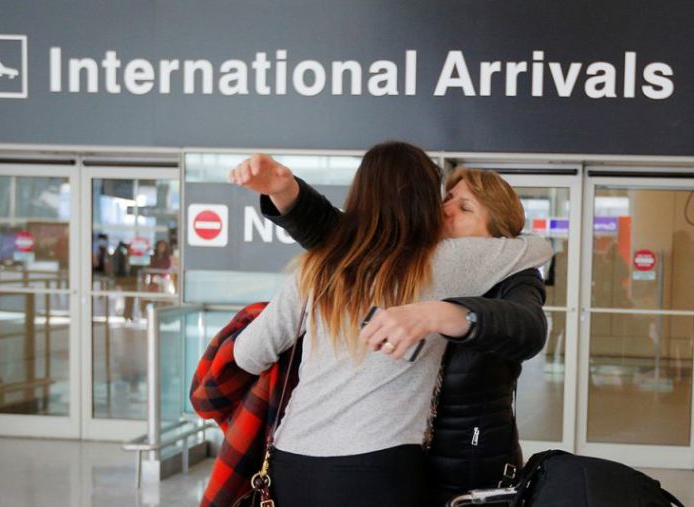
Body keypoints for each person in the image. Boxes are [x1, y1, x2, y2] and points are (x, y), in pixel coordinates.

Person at [229, 142, 552, 507]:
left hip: (296, 461)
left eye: (463, 207)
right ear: (423, 203)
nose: (445, 212)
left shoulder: (320, 265)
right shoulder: (440, 261)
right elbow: (538, 247)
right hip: (379, 464)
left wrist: (286, 193)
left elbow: (247, 353)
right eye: (443, 199)